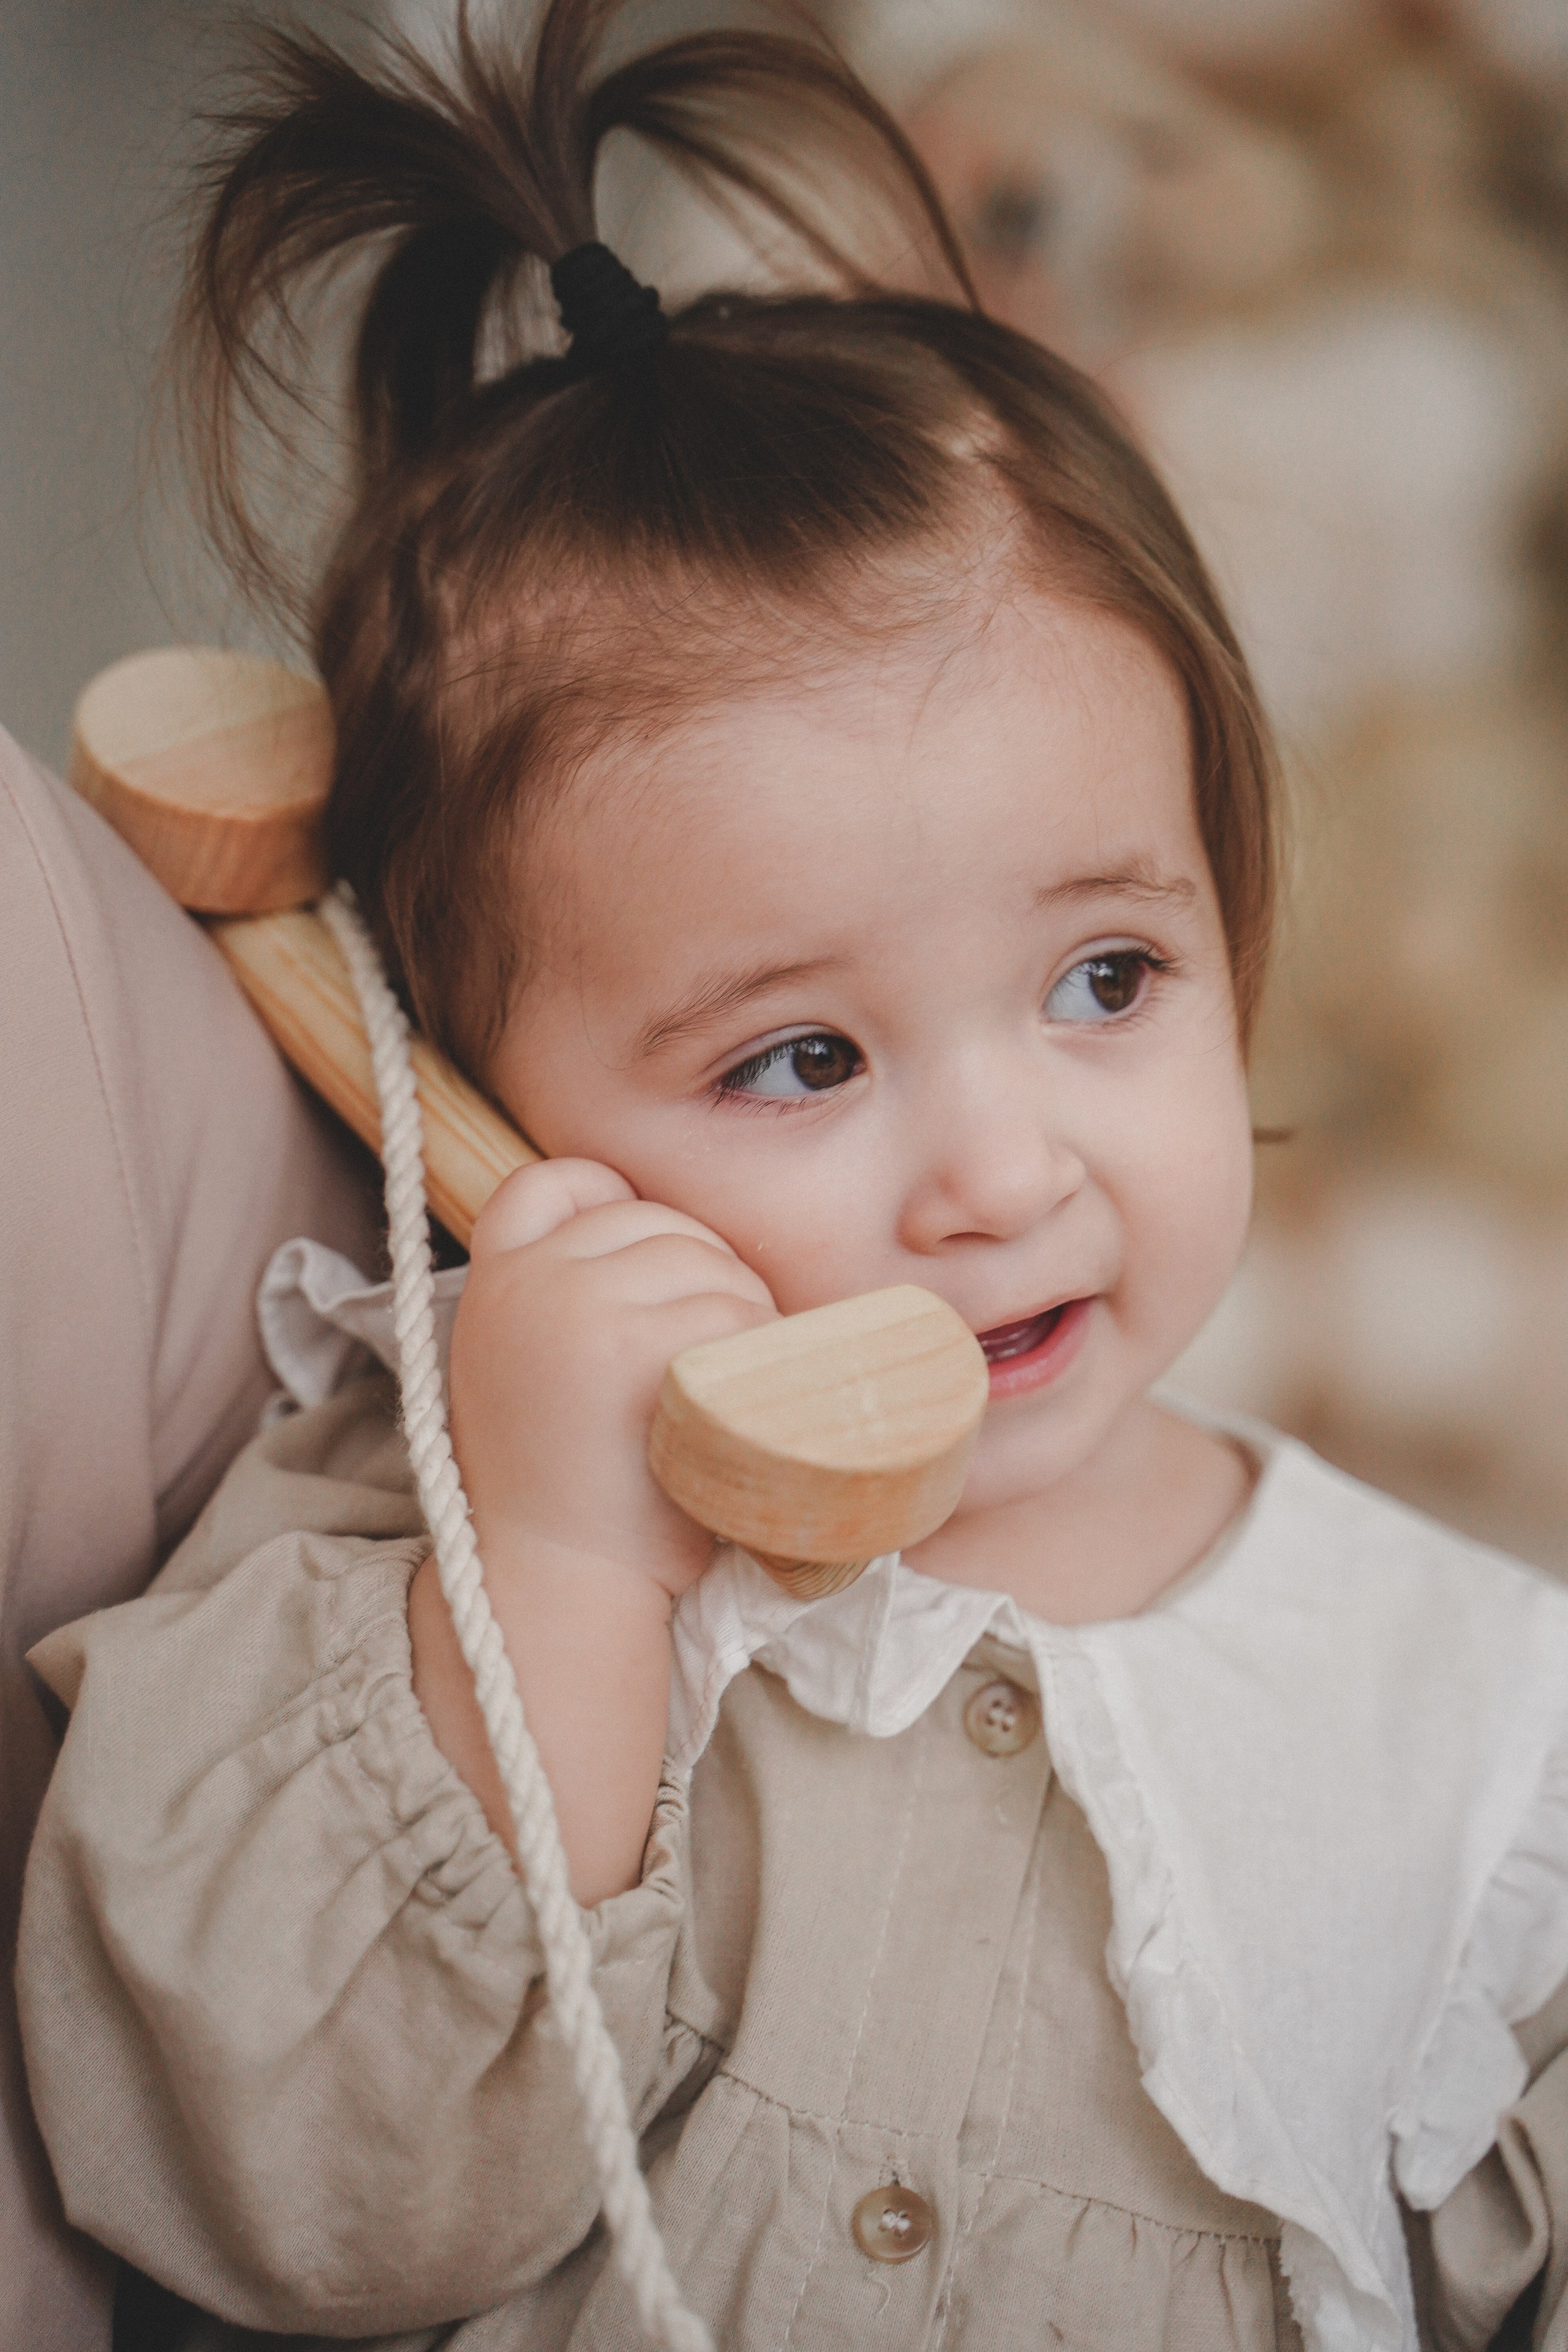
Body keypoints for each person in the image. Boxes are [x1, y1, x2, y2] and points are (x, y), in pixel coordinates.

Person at [14, 3, 1568, 2348]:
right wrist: (553, 1559)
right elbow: (288, 2203)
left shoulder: (1474, 1731)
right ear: (474, 1093)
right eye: (804, 1054)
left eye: (1109, 978)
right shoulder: (412, 1541)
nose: (998, 1169)